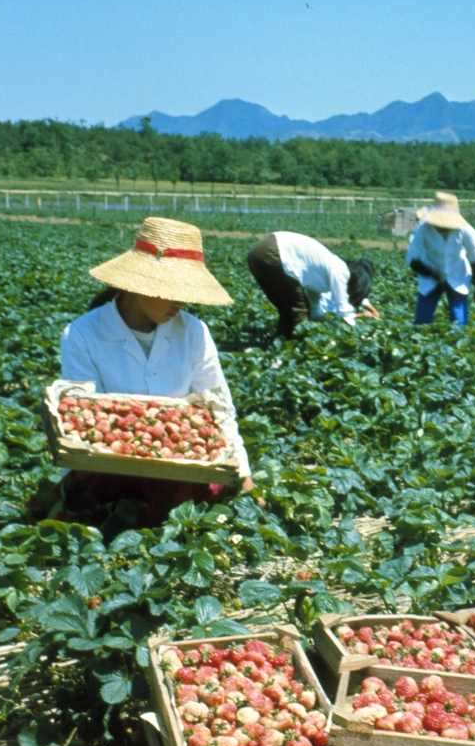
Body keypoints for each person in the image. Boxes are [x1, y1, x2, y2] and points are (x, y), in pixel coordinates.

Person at [50, 217, 253, 530]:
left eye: (186, 291)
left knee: (207, 490)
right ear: (139, 283)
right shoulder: (83, 334)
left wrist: (244, 476)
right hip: (111, 470)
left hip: (183, 467)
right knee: (95, 504)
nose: (180, 302)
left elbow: (220, 411)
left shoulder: (195, 333)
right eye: (171, 290)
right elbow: (80, 421)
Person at [247, 231, 379, 338]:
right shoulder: (340, 271)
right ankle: (295, 352)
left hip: (257, 253)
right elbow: (344, 314)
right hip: (273, 250)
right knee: (300, 310)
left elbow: (315, 313)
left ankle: (280, 344)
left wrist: (331, 326)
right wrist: (355, 337)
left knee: (286, 308)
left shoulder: (320, 275)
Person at [405, 192, 475, 325]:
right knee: (422, 319)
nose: (441, 227)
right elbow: (412, 258)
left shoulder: (466, 230)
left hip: (457, 275)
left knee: (459, 320)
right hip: (429, 274)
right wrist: (433, 273)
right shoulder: (423, 228)